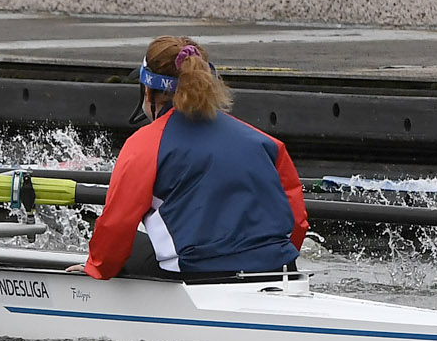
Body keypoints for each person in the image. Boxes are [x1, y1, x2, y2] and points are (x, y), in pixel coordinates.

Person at [84, 37, 308, 280]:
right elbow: (297, 221)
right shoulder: (266, 142)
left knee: (126, 244)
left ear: (148, 91)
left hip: (198, 275)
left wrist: (97, 269)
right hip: (277, 270)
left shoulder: (144, 145)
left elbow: (117, 226)